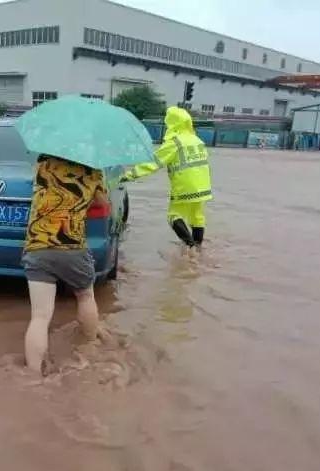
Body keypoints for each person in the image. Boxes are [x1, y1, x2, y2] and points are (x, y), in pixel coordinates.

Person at [22, 154, 107, 374]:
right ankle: (89, 348)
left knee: (40, 316)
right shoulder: (93, 169)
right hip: (72, 247)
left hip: (38, 245)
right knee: (86, 295)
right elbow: (103, 204)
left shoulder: (43, 162)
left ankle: (32, 374)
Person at [122, 106, 212, 249]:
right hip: (204, 186)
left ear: (172, 123)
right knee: (197, 217)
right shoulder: (197, 140)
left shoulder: (174, 142)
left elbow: (153, 163)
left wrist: (128, 175)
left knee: (173, 216)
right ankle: (198, 249)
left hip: (185, 186)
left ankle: (190, 247)